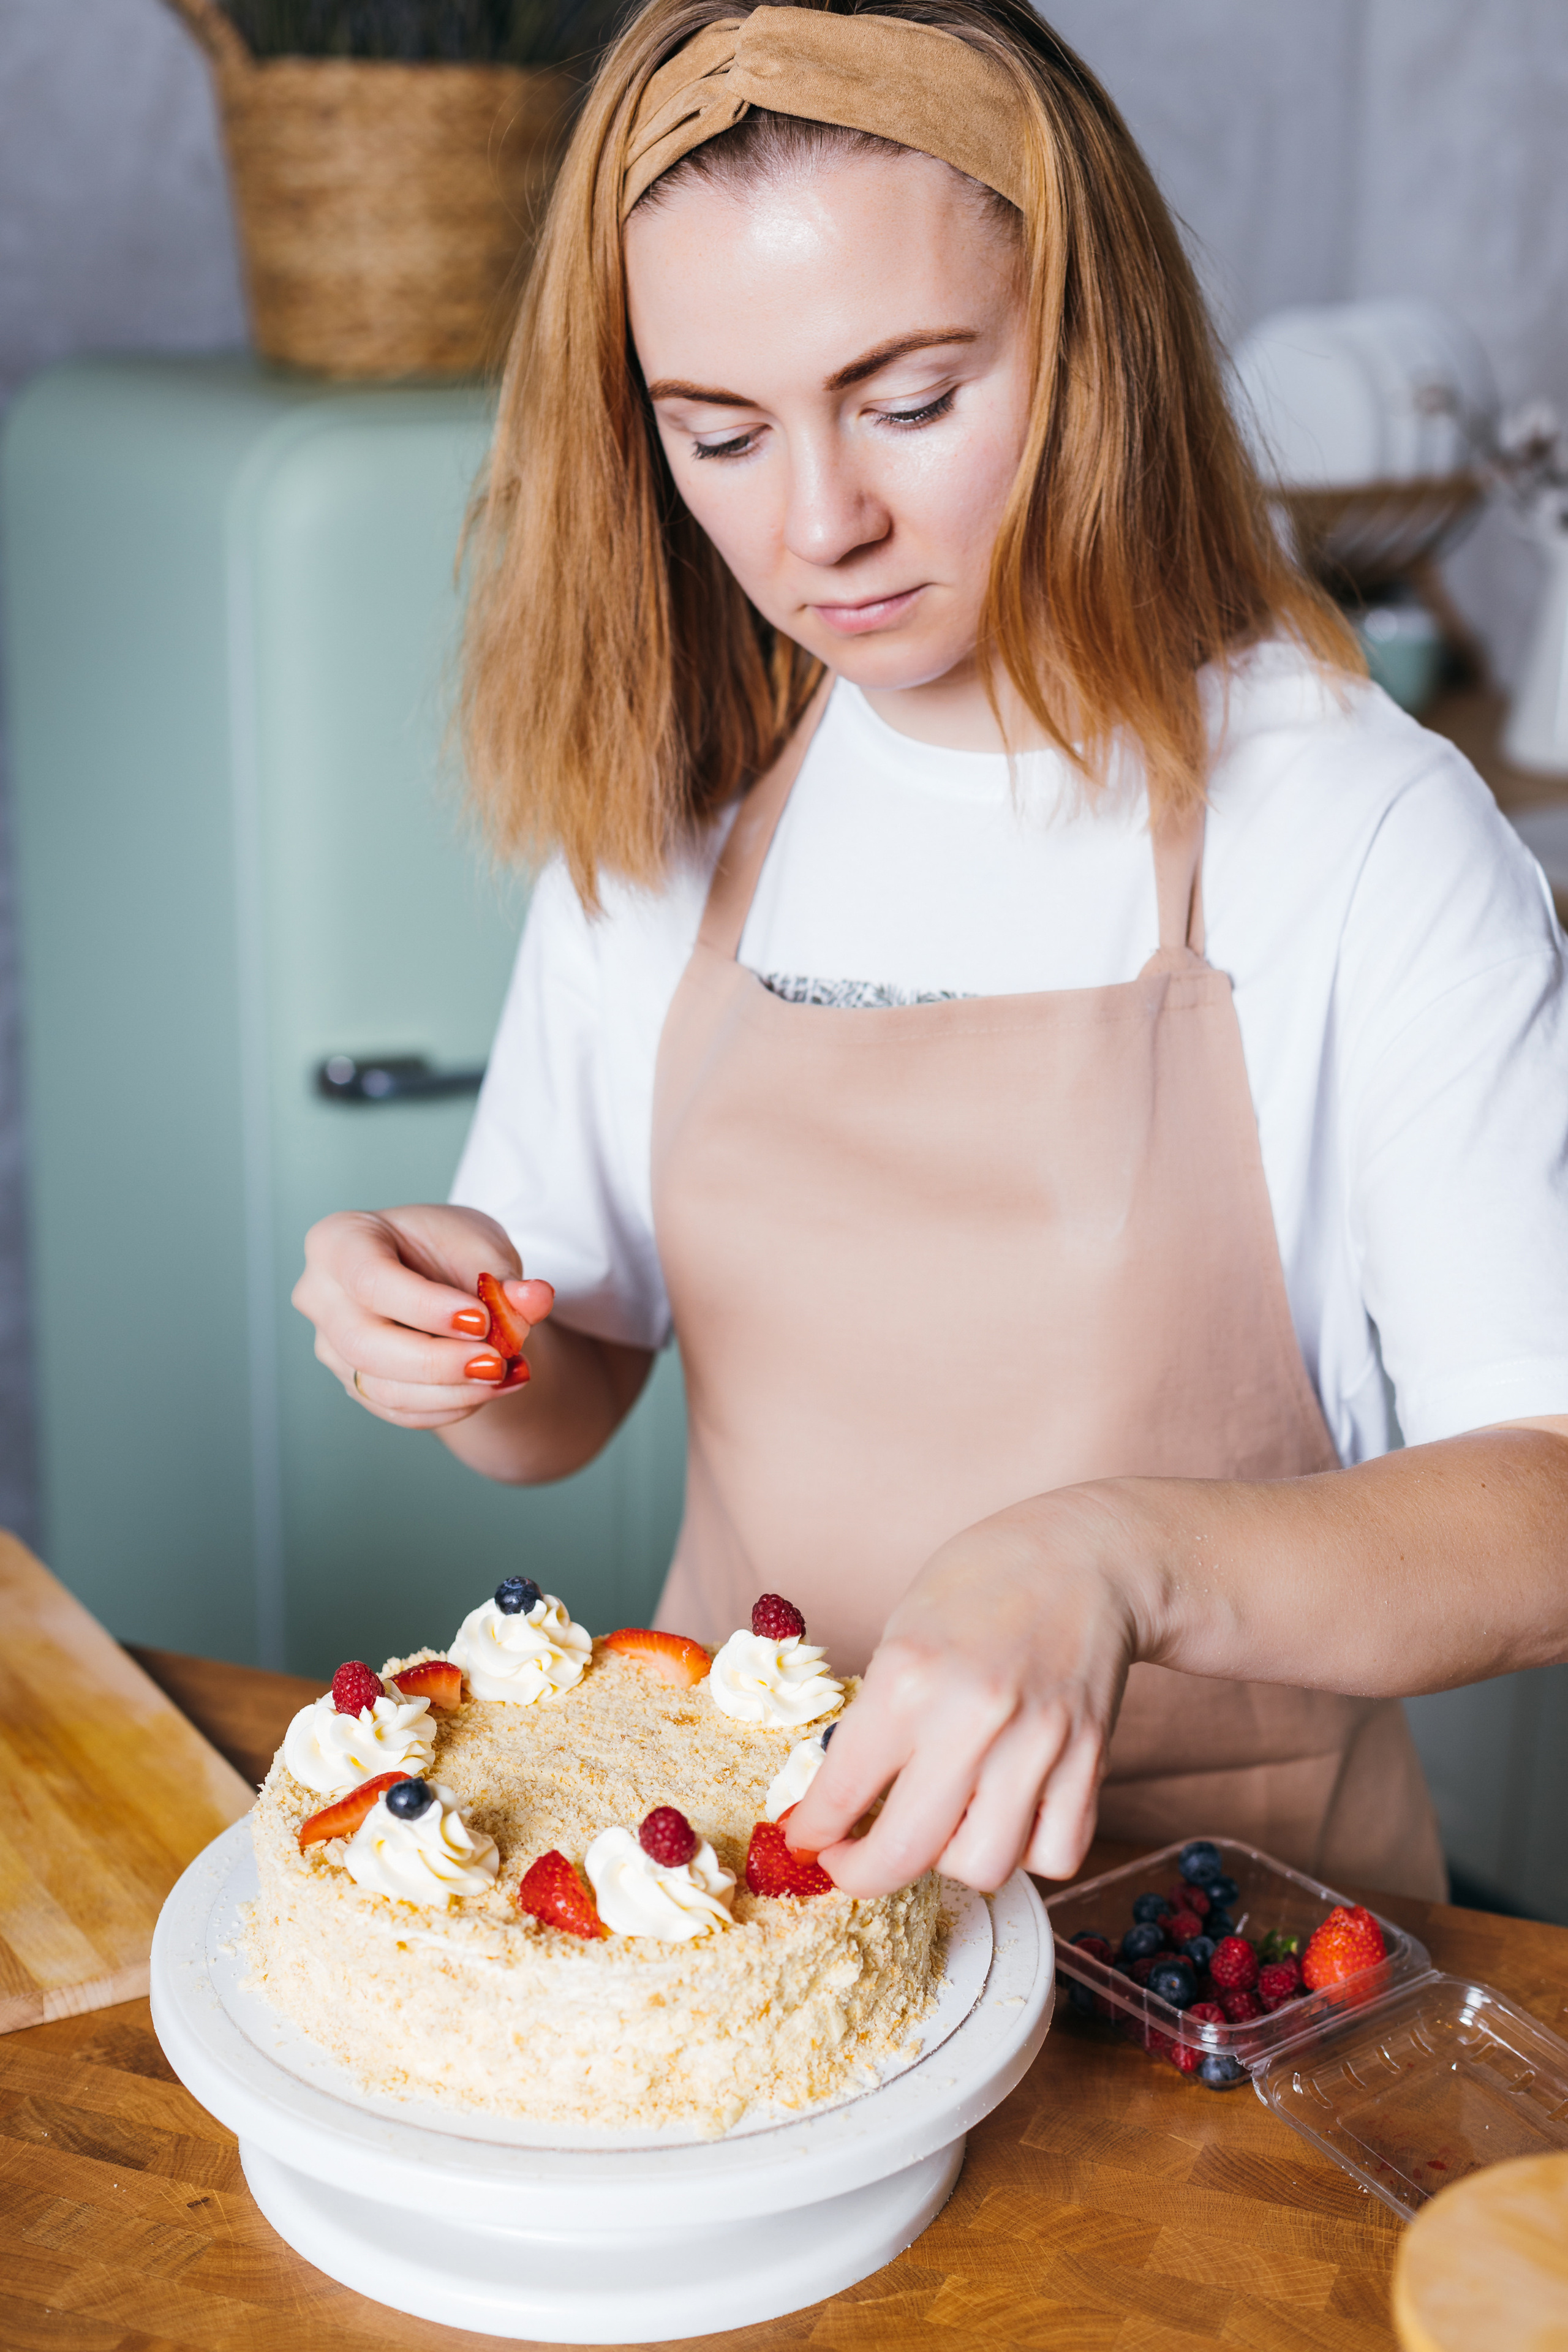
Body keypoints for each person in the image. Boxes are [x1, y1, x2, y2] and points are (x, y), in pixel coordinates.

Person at [293, 0, 1568, 1905]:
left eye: (909, 400)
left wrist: (1111, 1560)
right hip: (746, 1903)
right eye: (717, 434)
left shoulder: (1356, 830)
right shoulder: (679, 806)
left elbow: (1543, 1506)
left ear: (1088, 342)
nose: (821, 526)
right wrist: (457, 1338)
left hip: (1215, 1945)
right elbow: (566, 1401)